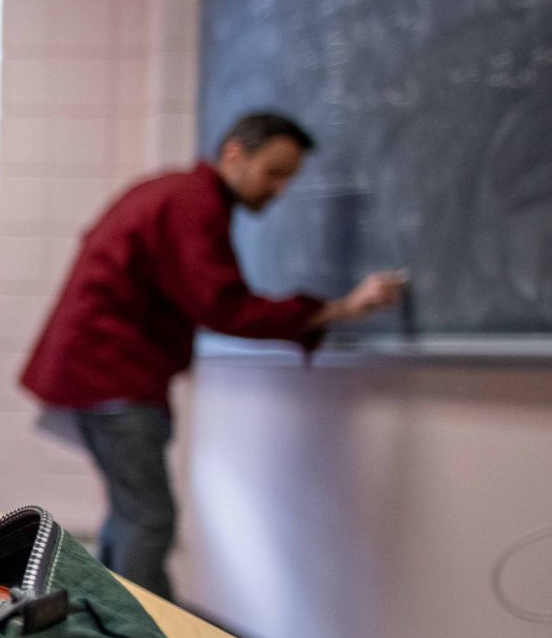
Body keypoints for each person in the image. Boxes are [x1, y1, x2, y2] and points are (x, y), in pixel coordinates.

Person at [21, 110, 406, 600]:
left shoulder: (173, 192)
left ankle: (104, 623)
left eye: (289, 177)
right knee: (150, 518)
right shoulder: (193, 204)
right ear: (234, 155)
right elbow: (224, 306)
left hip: (100, 374)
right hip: (113, 376)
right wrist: (338, 310)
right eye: (274, 172)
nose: (280, 189)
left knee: (132, 514)